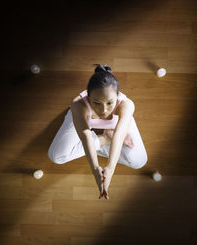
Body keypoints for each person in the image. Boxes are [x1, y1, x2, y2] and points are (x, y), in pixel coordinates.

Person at [48, 64, 148, 200]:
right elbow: (86, 137)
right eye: (96, 103)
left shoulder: (127, 105)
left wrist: (110, 169)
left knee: (139, 161)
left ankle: (104, 140)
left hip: (118, 127)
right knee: (56, 157)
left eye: (110, 103)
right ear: (88, 97)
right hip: (83, 122)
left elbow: (118, 137)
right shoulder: (78, 105)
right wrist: (96, 170)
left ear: (117, 96)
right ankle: (105, 139)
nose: (103, 110)